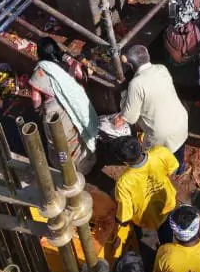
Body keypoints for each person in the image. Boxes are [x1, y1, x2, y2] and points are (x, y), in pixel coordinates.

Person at [28, 38, 98, 173]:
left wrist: (38, 109)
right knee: (80, 136)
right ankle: (85, 166)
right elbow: (80, 75)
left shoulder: (39, 73)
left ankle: (66, 170)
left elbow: (36, 100)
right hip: (76, 106)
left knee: (60, 143)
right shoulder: (67, 62)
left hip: (56, 115)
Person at [118, 44, 189, 167]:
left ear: (130, 65)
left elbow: (130, 118)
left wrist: (124, 93)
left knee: (153, 160)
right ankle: (180, 167)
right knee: (178, 148)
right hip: (181, 121)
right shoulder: (162, 68)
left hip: (161, 134)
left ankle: (162, 172)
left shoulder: (135, 84)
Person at [108, 135, 179, 251]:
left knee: (142, 234)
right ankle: (166, 248)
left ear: (124, 162)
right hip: (167, 204)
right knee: (166, 231)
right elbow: (173, 168)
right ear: (140, 145)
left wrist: (119, 222)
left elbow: (126, 214)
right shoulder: (160, 152)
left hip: (146, 218)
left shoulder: (124, 182)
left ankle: (143, 243)